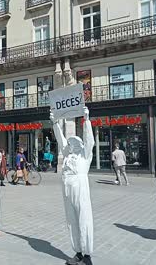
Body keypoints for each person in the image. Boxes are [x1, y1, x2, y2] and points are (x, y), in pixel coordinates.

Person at [51, 106, 94, 265]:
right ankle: (78, 252)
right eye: (71, 143)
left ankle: (87, 255)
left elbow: (90, 140)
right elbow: (61, 140)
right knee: (71, 220)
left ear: (81, 145)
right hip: (67, 188)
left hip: (80, 187)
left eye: (75, 143)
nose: (71, 145)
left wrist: (86, 119)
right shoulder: (68, 155)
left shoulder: (85, 155)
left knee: (84, 219)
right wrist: (55, 123)